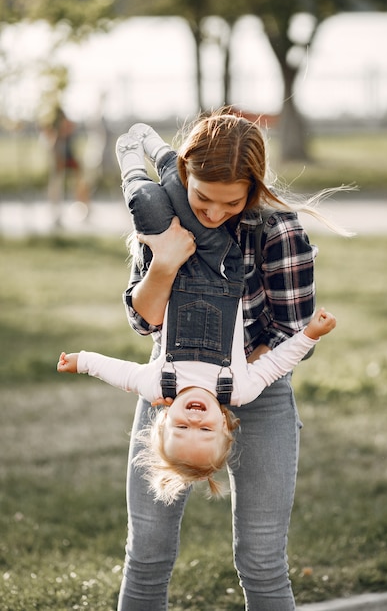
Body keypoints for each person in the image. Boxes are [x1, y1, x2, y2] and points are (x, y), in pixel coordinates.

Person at [114, 110, 347, 611]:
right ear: (183, 174)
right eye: (202, 197)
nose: (215, 213)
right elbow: (144, 322)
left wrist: (234, 380)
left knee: (261, 561)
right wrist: (166, 260)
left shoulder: (279, 229)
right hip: (171, 392)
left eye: (231, 202)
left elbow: (287, 333)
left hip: (258, 392)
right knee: (147, 556)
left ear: (253, 190)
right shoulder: (163, 215)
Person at [57, 306, 335, 499]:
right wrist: (310, 335)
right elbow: (276, 362)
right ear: (225, 424)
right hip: (228, 272)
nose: (194, 421)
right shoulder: (240, 389)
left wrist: (82, 362)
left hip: (182, 272)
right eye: (205, 431)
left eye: (181, 428)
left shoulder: (156, 384)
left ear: (164, 417)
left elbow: (119, 372)